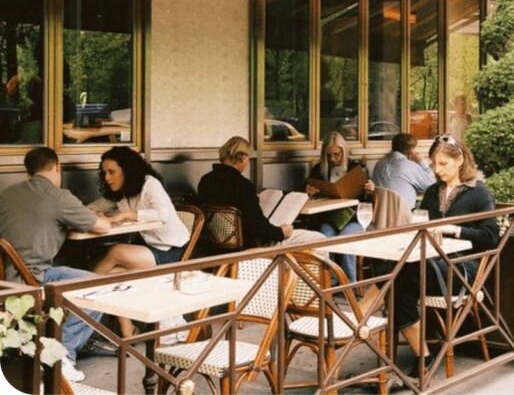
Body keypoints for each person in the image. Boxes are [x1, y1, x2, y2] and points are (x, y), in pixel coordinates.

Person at [0, 148, 111, 382]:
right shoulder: (59, 197)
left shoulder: (7, 194)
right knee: (98, 286)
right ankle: (61, 355)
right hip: (32, 279)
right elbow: (103, 227)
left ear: (28, 172)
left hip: (5, 279)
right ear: (57, 167)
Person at [392, 135, 499, 377]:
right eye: (434, 164)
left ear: (460, 160)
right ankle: (423, 356)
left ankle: (359, 323)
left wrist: (455, 229)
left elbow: (491, 236)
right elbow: (424, 223)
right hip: (431, 262)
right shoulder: (432, 191)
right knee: (395, 281)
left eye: (443, 164)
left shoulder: (479, 192)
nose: (437, 170)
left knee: (395, 274)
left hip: (463, 267)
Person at [89, 146, 190, 339]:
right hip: (149, 248)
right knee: (111, 275)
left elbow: (164, 214)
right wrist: (90, 212)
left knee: (116, 251)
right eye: (104, 173)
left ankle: (78, 295)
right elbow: (96, 205)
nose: (107, 178)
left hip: (172, 251)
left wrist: (128, 214)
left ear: (127, 170)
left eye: (112, 172)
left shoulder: (150, 184)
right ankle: (127, 328)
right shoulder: (122, 191)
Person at [197, 136, 325, 247]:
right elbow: (257, 227)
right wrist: (281, 232)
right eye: (248, 158)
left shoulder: (205, 181)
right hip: (250, 246)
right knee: (319, 238)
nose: (247, 162)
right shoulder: (243, 185)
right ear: (242, 157)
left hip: (216, 245)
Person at [306, 131, 373, 283]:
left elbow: (368, 202)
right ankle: (331, 280)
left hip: (353, 218)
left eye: (337, 154)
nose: (332, 159)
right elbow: (305, 188)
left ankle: (349, 285)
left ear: (344, 151)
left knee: (345, 240)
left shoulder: (356, 168)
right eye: (329, 155)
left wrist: (370, 190)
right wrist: (308, 191)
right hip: (330, 218)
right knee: (324, 237)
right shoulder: (319, 169)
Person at [371, 132, 435, 210]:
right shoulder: (409, 165)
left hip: (381, 212)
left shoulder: (379, 164)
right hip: (404, 213)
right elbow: (431, 185)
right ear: (411, 151)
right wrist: (422, 162)